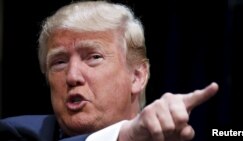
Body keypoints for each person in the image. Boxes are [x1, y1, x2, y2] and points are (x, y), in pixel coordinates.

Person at [0, 1, 219, 141]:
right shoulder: (18, 133)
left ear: (137, 76)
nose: (73, 76)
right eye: (59, 62)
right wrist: (125, 136)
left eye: (94, 57)